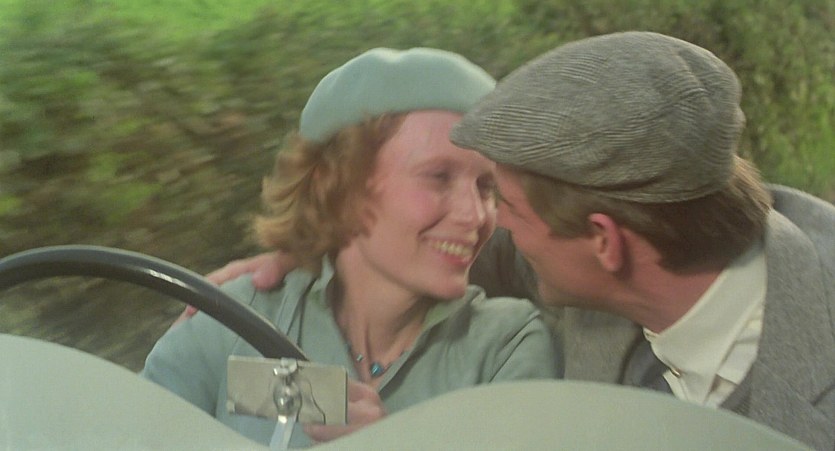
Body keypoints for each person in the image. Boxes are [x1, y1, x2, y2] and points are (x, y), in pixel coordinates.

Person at [202, 33, 835, 450]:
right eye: (440, 180)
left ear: (604, 243)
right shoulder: (650, 238)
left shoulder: (509, 347)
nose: (483, 224)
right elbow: (208, 390)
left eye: (500, 201)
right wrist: (320, 241)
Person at [142, 47, 560, 448]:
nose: (476, 214)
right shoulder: (238, 320)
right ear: (341, 186)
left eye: (486, 187)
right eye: (438, 177)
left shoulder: (504, 346)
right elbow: (134, 433)